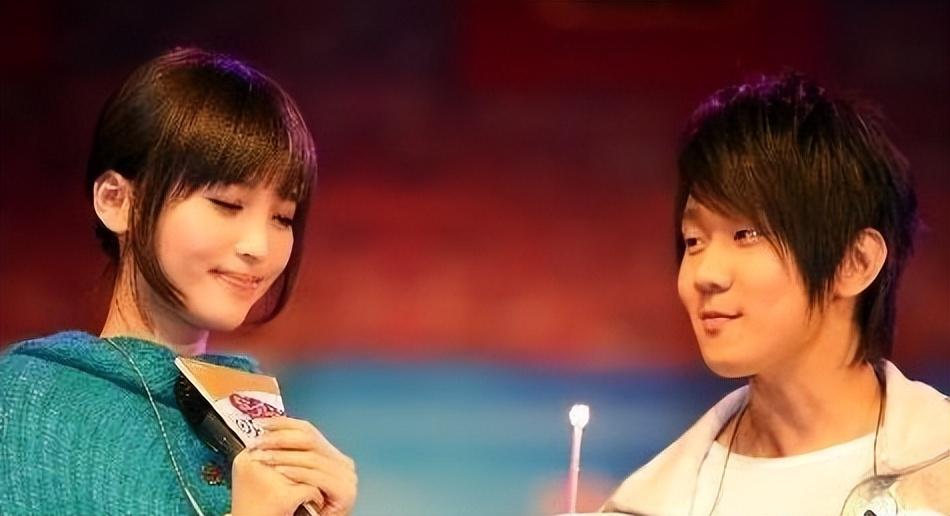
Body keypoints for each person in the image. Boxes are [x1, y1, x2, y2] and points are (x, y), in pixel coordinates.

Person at [0, 48, 357, 516]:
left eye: (283, 218)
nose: (259, 246)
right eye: (227, 204)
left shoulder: (256, 422)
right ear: (117, 201)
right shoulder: (27, 403)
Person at [600, 72, 949, 514]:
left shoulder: (937, 467)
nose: (706, 274)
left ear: (855, 262)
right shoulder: (653, 503)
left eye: (746, 234)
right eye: (693, 241)